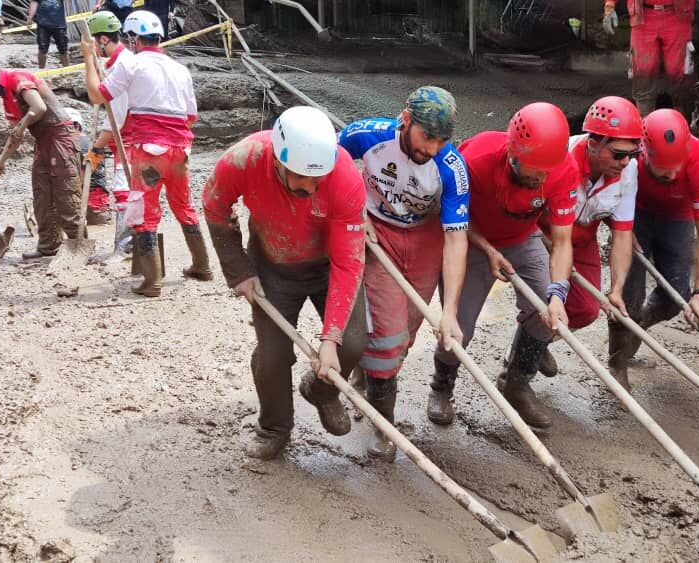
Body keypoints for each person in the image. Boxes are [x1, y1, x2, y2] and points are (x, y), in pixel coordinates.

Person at [203, 106, 369, 461]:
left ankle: (321, 392)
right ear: (278, 160)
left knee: (352, 343)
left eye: (317, 178)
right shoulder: (243, 160)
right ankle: (275, 426)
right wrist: (239, 269)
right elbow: (215, 205)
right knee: (273, 356)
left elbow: (349, 260)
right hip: (272, 266)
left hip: (328, 268)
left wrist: (330, 338)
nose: (310, 187)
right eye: (300, 178)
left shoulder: (344, 178)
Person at [338, 86, 469, 461]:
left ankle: (372, 372)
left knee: (406, 334)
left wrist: (449, 312)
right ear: (406, 120)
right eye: (427, 136)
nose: (432, 148)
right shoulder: (368, 135)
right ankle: (385, 425)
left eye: (442, 140)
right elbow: (331, 161)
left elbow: (456, 239)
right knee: (388, 334)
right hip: (378, 234)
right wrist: (355, 212)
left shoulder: (451, 168)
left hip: (425, 240)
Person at [427, 102, 576, 430]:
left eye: (546, 171)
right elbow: (450, 215)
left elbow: (563, 241)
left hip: (523, 238)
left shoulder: (564, 168)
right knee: (457, 328)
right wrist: (488, 249)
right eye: (534, 170)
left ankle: (517, 383)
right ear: (513, 152)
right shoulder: (477, 159)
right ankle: (441, 387)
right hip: (470, 238)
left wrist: (558, 294)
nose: (541, 178)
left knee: (545, 315)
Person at [81, 10, 211, 297]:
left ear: (133, 38)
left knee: (144, 212)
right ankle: (202, 265)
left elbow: (96, 95)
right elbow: (191, 116)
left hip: (149, 150)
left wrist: (89, 58)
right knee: (184, 206)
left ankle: (152, 281)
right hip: (181, 150)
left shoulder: (132, 65)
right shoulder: (181, 70)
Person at [536, 96, 642, 389]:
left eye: (632, 155)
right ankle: (518, 372)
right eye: (619, 154)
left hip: (581, 237)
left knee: (585, 309)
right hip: (542, 234)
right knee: (541, 300)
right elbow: (528, 208)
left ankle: (534, 344)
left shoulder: (628, 171)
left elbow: (621, 233)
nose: (626, 162)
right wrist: (547, 245)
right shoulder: (560, 155)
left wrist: (616, 289)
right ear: (594, 143)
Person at [609, 108, 699, 382]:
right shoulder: (629, 156)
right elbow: (604, 194)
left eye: (676, 166)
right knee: (628, 296)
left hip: (676, 218)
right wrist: (619, 228)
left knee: (675, 299)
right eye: (664, 168)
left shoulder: (698, 160)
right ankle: (617, 362)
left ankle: (637, 327)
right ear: (644, 153)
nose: (672, 174)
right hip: (634, 215)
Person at [0, 54, 81, 259]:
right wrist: (0, 162)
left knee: (65, 192)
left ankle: (77, 245)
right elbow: (15, 136)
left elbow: (39, 108)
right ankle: (48, 246)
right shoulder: (6, 98)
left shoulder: (17, 77)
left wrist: (22, 126)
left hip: (60, 136)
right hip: (43, 141)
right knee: (42, 195)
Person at [83, 10, 133, 256]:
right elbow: (107, 110)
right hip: (122, 139)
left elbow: (118, 118)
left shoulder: (122, 66)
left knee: (125, 191)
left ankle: (126, 249)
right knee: (126, 190)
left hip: (131, 140)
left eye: (93, 40)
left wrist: (95, 151)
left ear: (103, 39)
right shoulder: (112, 64)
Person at [603, 0, 695, 115]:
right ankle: (644, 126)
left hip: (677, 16)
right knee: (643, 73)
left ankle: (682, 126)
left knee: (680, 73)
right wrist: (609, 6)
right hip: (643, 18)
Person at [66, 107, 111, 225]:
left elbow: (82, 176)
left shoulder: (81, 145)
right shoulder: (91, 143)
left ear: (76, 126)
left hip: (89, 199)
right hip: (97, 202)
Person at [27, 0, 70, 69]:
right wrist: (30, 17)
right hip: (43, 24)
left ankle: (67, 69)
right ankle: (41, 69)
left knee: (63, 48)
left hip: (59, 24)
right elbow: (34, 3)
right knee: (42, 48)